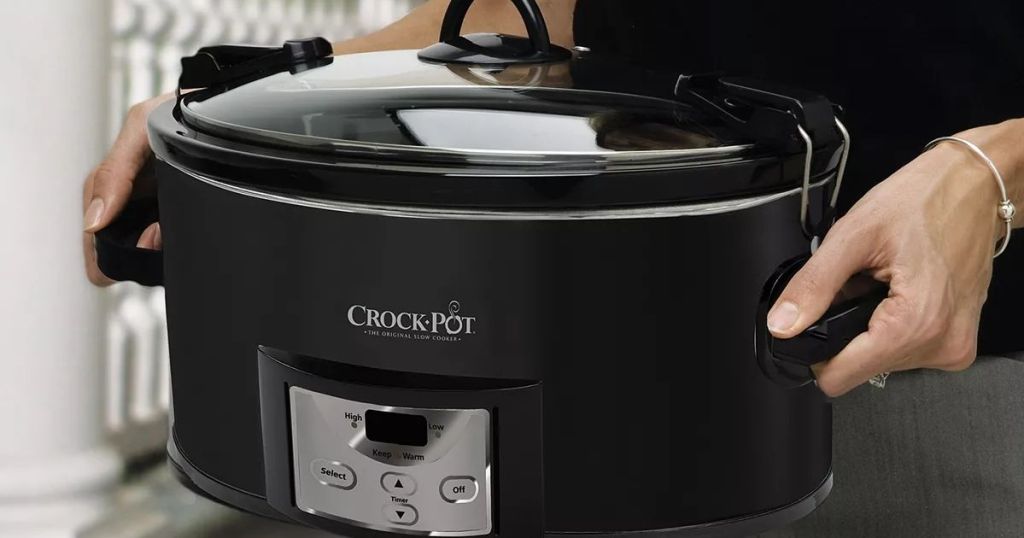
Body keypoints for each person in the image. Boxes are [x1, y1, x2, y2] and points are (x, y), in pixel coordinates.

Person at [81, 0, 1024, 535]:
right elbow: (521, 17)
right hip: (596, 378)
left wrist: (991, 172)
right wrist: (221, 108)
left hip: (927, 381)